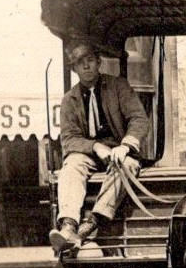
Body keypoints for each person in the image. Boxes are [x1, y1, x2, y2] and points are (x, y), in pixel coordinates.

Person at [49, 39, 151, 253]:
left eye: (89, 60)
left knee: (125, 166)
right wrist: (95, 147)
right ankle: (68, 226)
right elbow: (69, 139)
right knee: (71, 166)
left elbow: (138, 119)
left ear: (98, 62)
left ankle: (92, 222)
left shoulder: (118, 87)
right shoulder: (69, 100)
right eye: (80, 63)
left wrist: (125, 146)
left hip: (119, 151)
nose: (86, 66)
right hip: (88, 153)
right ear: (75, 69)